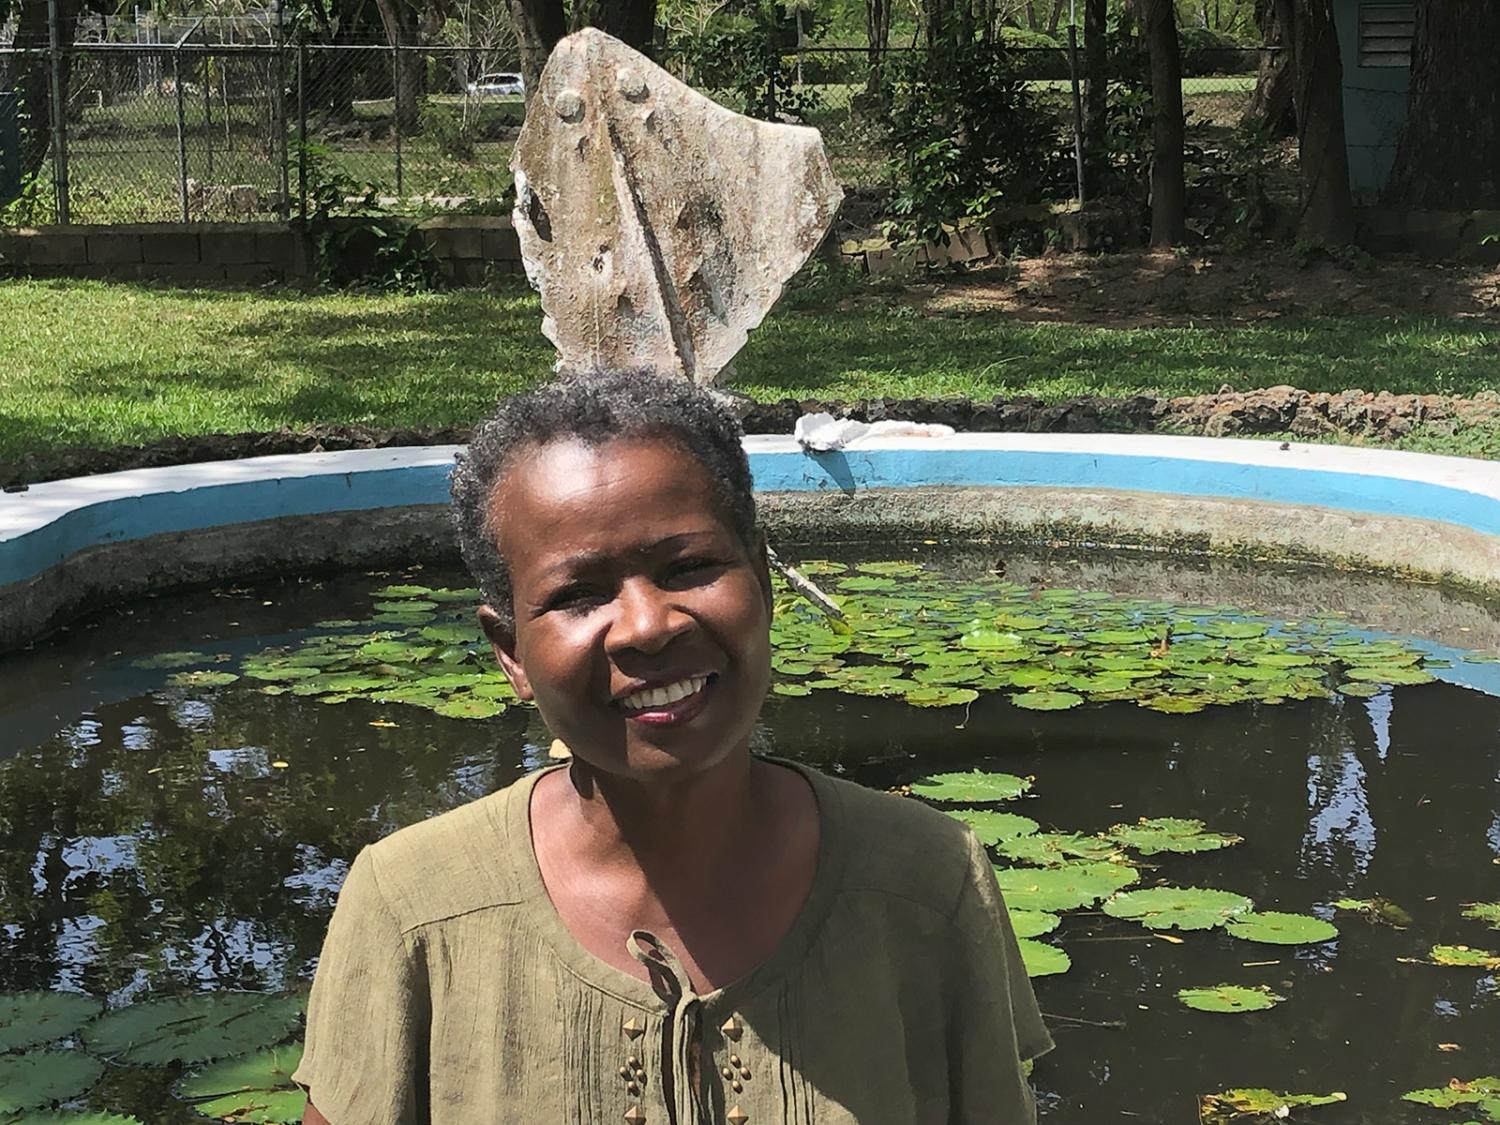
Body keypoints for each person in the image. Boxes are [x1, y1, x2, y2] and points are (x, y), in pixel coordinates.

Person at [293, 370, 1051, 1124]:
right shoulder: (414, 907)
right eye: (580, 594)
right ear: (511, 652)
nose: (649, 625)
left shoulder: (927, 880)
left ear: (762, 581)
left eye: (688, 567)